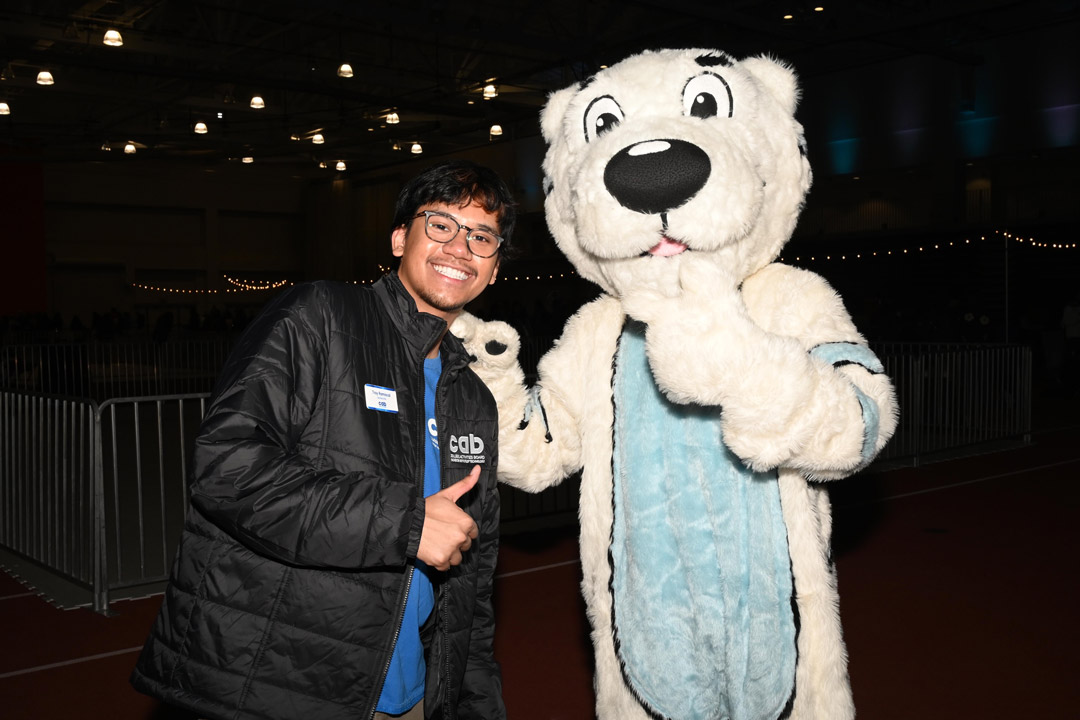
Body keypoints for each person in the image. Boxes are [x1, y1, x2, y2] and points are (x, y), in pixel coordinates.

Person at [130, 159, 514, 720]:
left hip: (412, 698)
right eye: (440, 224)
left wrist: (474, 704)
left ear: (494, 267)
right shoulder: (321, 316)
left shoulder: (474, 401)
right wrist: (405, 523)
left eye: (482, 236)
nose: (460, 247)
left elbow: (472, 588)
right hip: (287, 683)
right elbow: (226, 467)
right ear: (399, 238)